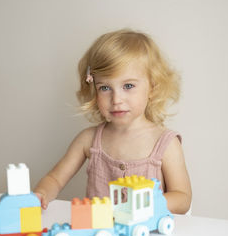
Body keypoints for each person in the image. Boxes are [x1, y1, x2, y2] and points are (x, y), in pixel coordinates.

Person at [33, 29, 192, 214]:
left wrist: (145, 203)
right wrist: (41, 193)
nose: (116, 99)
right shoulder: (88, 140)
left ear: (152, 88)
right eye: (105, 87)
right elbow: (55, 179)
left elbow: (182, 199)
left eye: (128, 86)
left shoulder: (165, 143)